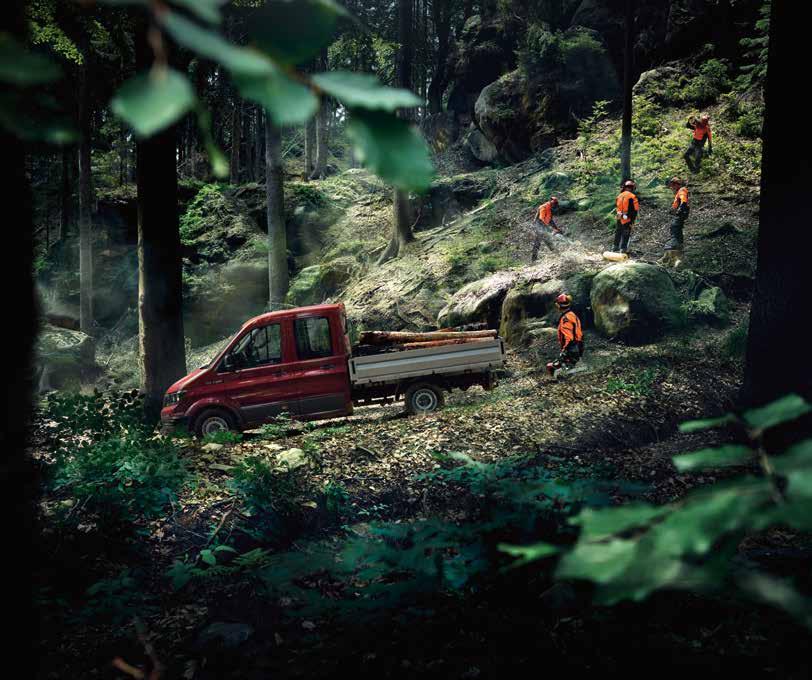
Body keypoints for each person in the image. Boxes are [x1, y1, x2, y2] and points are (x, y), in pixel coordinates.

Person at [546, 293, 584, 378]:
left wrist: (564, 351)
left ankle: (557, 381)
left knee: (551, 367)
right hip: (578, 347)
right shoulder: (572, 315)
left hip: (571, 349)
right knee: (569, 366)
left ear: (559, 306)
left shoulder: (565, 319)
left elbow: (569, 338)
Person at [531, 196, 564, 261]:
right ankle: (534, 260)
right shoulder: (544, 207)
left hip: (543, 226)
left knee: (546, 241)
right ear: (551, 203)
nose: (554, 207)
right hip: (538, 226)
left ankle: (557, 255)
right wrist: (549, 229)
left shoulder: (550, 209)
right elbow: (541, 219)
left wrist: (556, 228)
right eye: (554, 205)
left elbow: (550, 220)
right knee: (539, 242)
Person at [613, 180, 639, 254]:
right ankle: (623, 249)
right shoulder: (632, 196)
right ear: (632, 188)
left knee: (618, 232)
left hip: (619, 217)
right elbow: (635, 210)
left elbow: (617, 207)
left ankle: (615, 247)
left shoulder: (619, 196)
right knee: (626, 233)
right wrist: (633, 220)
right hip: (627, 218)